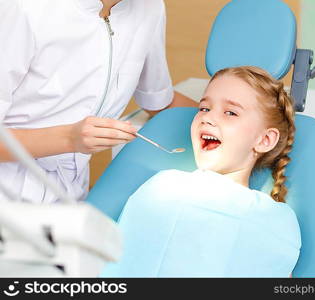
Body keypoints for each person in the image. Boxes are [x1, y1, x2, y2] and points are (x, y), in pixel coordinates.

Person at [102, 66, 301, 277]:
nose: (207, 118)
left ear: (264, 140)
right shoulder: (164, 186)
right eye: (204, 108)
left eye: (230, 112)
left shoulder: (275, 220)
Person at [0, 0, 197, 203]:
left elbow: (159, 101)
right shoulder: (22, 8)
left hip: (70, 198)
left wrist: (223, 118)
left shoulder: (149, 7)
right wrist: (69, 138)